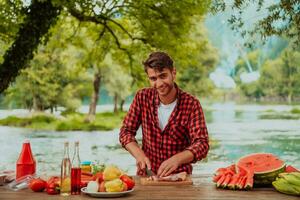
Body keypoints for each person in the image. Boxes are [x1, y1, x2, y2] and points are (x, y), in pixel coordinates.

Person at [119, 51, 209, 178]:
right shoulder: (142, 97)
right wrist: (139, 154)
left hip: (179, 179)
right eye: (153, 79)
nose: (159, 84)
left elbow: (202, 143)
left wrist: (177, 159)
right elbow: (126, 132)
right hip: (147, 177)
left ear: (173, 73)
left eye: (163, 76)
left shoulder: (192, 104)